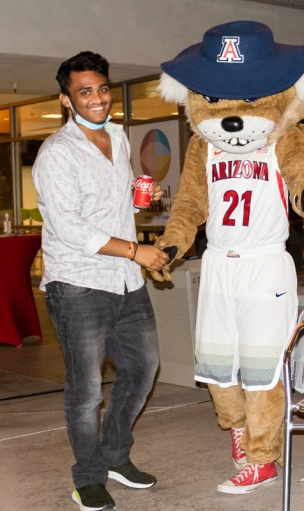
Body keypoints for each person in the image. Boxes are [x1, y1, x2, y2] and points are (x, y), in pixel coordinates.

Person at [32, 51, 169, 511]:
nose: (97, 99)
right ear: (66, 99)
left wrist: (138, 199)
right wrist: (137, 249)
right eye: (85, 91)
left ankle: (114, 456)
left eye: (102, 88)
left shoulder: (117, 136)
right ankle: (87, 477)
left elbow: (117, 205)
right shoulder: (56, 153)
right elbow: (71, 227)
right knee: (86, 389)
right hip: (78, 284)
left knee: (143, 367)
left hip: (126, 280)